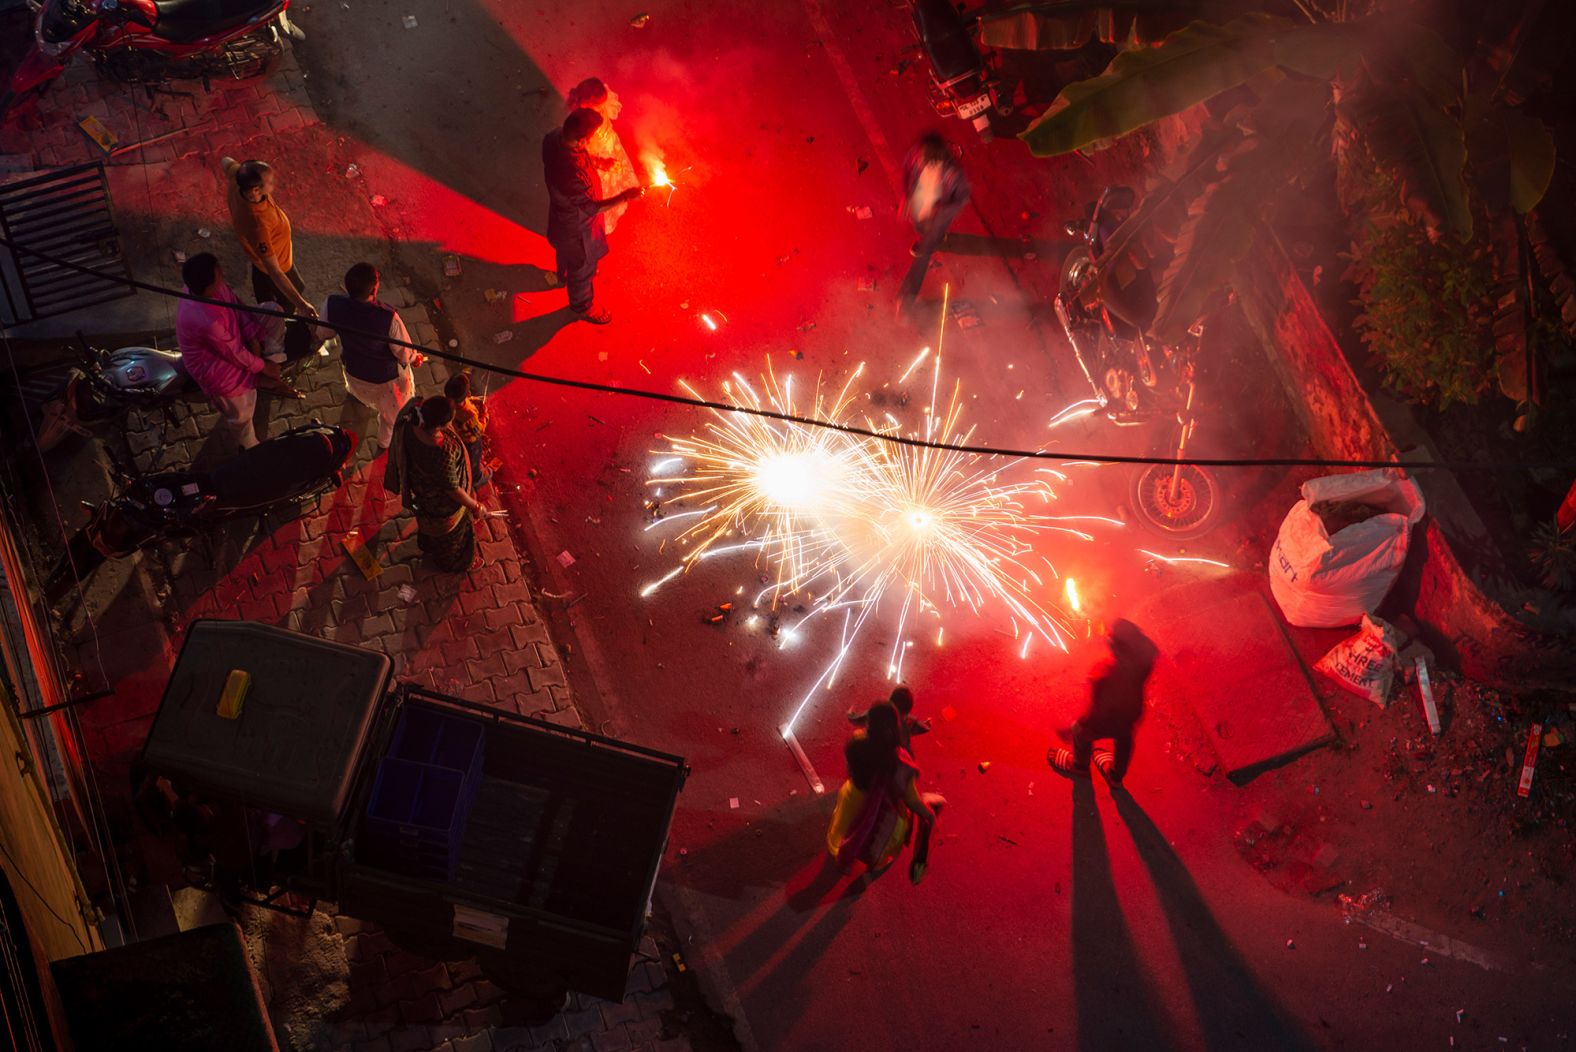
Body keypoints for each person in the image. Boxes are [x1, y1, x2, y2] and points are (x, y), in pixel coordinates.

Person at [174, 252, 288, 450]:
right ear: (207, 287)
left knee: (273, 311)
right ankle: (249, 445)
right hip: (212, 363)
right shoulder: (206, 320)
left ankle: (270, 367)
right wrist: (262, 366)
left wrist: (251, 335)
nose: (222, 275)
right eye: (219, 273)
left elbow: (235, 304)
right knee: (241, 414)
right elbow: (233, 352)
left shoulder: (209, 289)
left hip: (234, 338)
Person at [542, 108, 644, 325]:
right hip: (577, 230)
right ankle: (582, 305)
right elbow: (591, 208)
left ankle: (562, 275)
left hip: (560, 219)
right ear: (581, 140)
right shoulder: (573, 174)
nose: (592, 141)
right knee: (582, 268)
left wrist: (598, 162)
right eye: (590, 138)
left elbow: (577, 154)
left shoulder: (553, 137)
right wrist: (626, 196)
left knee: (565, 253)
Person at [826, 701, 945, 885]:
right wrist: (929, 815)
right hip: (883, 813)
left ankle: (842, 858)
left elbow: (850, 771)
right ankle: (871, 865)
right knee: (874, 841)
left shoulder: (856, 743)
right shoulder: (900, 764)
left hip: (854, 799)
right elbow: (912, 801)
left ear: (868, 724)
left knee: (847, 830)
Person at [316, 262, 419, 449]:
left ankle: (359, 401)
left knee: (358, 392)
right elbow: (404, 354)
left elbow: (324, 333)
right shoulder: (388, 317)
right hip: (385, 380)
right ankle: (384, 443)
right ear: (375, 288)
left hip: (354, 371)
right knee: (391, 416)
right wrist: (414, 359)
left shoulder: (332, 303)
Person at [1049, 619, 1159, 788]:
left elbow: (1095, 712)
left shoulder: (1105, 675)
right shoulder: (1143, 662)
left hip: (1106, 719)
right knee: (1125, 740)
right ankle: (1115, 776)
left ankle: (1080, 767)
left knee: (1081, 733)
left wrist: (1074, 728)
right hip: (1131, 712)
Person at [384, 396, 484, 572]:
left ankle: (428, 545)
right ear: (442, 426)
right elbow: (453, 489)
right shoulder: (441, 453)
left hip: (421, 490)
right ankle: (450, 562)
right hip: (441, 505)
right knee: (451, 536)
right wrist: (475, 506)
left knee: (427, 521)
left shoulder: (409, 424)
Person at [219, 156, 317, 318]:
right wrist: (302, 305)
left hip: (262, 261)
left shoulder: (239, 179)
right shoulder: (258, 223)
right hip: (276, 264)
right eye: (270, 182)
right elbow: (274, 271)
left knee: (275, 290)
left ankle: (267, 306)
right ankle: (278, 323)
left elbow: (225, 161)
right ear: (256, 191)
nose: (274, 185)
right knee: (288, 297)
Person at [898, 132, 971, 308]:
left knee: (924, 254)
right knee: (921, 229)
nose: (921, 160)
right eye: (921, 156)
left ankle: (906, 297)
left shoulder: (952, 174)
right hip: (919, 210)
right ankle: (932, 239)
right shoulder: (916, 157)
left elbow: (962, 197)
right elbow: (907, 169)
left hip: (937, 218)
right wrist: (906, 197)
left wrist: (940, 212)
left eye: (927, 159)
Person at [564, 77, 641, 235]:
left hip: (609, 144)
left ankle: (621, 198)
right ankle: (602, 219)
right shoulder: (576, 122)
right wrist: (601, 163)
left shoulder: (599, 97)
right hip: (595, 156)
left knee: (618, 178)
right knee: (601, 191)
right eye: (596, 107)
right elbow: (578, 155)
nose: (601, 110)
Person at [848, 685, 931, 753]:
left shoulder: (877, 712)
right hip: (893, 763)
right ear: (907, 710)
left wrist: (850, 713)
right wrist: (928, 724)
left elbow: (856, 719)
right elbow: (925, 728)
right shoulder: (909, 723)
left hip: (874, 755)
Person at [443, 371, 490, 487]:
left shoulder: (451, 403)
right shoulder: (469, 413)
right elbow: (479, 429)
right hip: (471, 441)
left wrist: (473, 400)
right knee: (474, 459)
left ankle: (465, 469)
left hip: (459, 436)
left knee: (464, 457)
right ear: (467, 393)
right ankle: (476, 479)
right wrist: (485, 414)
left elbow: (464, 401)